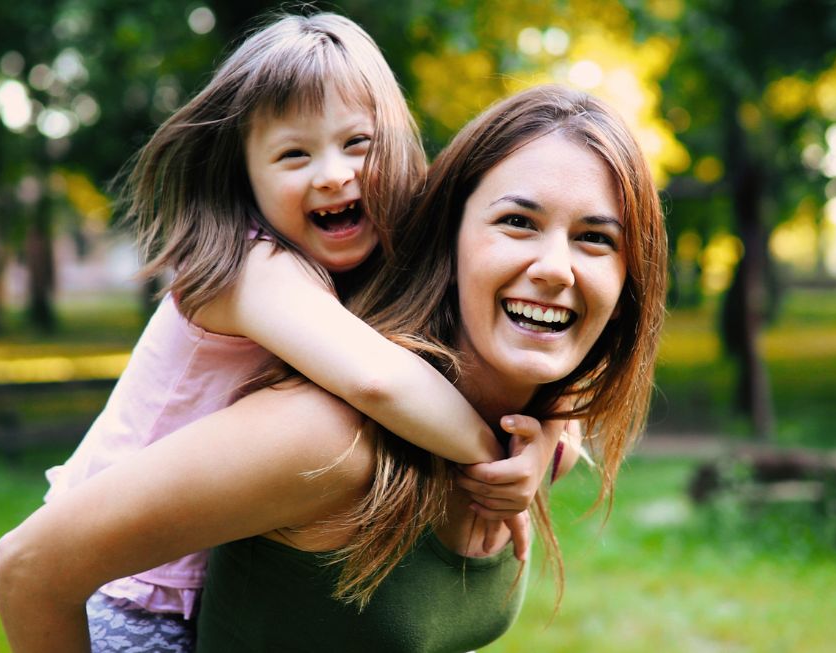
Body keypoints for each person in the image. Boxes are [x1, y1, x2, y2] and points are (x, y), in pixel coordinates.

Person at [0, 84, 667, 652]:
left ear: (629, 277)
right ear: (449, 232)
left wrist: (546, 435)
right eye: (518, 221)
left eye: (595, 237)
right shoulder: (329, 439)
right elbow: (29, 567)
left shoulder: (525, 434)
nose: (555, 267)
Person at [40, 13, 558, 650]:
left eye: (358, 143)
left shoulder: (368, 261)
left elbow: (516, 352)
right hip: (130, 593)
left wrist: (549, 440)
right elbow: (380, 381)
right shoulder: (248, 266)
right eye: (294, 154)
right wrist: (493, 460)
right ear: (245, 178)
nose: (334, 173)